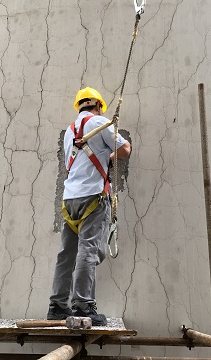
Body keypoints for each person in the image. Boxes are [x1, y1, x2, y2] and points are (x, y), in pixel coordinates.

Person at [48, 87, 131, 326]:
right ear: (99, 105)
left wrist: (103, 155)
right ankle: (83, 305)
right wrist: (111, 155)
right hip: (93, 196)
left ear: (79, 106)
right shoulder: (99, 122)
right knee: (89, 250)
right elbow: (125, 150)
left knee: (67, 253)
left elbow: (80, 159)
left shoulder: (70, 131)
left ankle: (57, 305)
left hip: (70, 200)